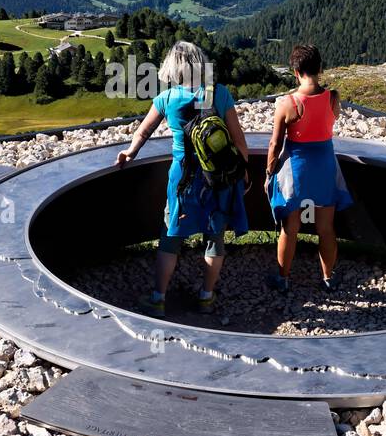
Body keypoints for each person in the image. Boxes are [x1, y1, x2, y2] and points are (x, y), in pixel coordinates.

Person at [115, 41, 250, 315]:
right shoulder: (219, 93)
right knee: (215, 238)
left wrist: (129, 153)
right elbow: (238, 139)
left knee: (170, 236)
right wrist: (242, 171)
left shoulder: (166, 99)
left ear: (173, 68)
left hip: (183, 177)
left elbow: (143, 132)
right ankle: (206, 297)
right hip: (218, 176)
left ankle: (158, 298)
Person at [265, 44, 352, 292]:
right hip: (325, 164)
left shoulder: (287, 103)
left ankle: (283, 278)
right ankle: (327, 277)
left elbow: (275, 143)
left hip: (296, 167)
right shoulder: (333, 98)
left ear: (295, 71)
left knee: (290, 228)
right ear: (320, 68)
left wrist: (270, 172)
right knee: (325, 228)